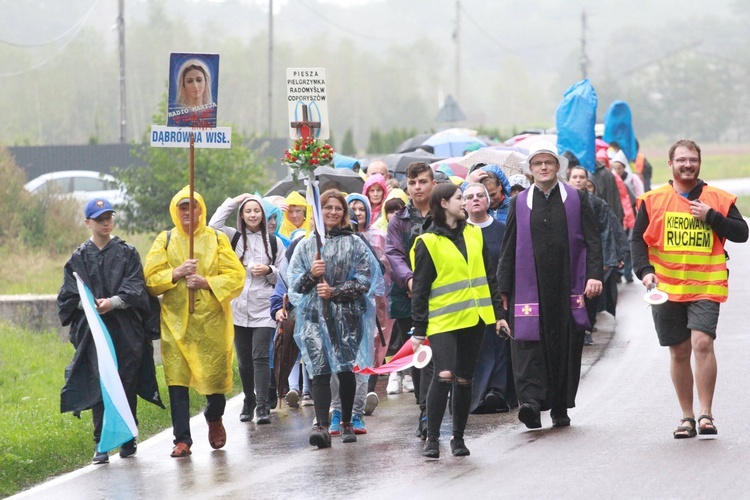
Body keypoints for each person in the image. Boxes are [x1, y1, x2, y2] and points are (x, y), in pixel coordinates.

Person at [631, 139, 748, 438]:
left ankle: (706, 414)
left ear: (699, 163)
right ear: (670, 164)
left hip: (707, 284)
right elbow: (637, 242)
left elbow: (741, 233)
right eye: (681, 159)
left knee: (702, 343)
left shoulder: (718, 199)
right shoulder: (651, 200)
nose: (688, 164)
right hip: (666, 287)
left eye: (693, 160)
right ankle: (687, 417)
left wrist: (711, 216)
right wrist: (644, 272)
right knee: (679, 350)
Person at [498, 141, 603, 429]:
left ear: (558, 167)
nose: (543, 167)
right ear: (530, 170)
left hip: (567, 284)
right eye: (537, 163)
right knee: (528, 344)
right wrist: (503, 289)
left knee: (565, 345)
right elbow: (508, 247)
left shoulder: (577, 199)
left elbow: (593, 240)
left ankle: (559, 405)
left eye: (548, 162)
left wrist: (594, 275)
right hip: (528, 286)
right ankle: (531, 403)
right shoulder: (519, 203)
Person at [58, 198, 163, 464]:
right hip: (94, 332)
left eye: (109, 217)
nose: (106, 223)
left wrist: (113, 303)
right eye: (99, 218)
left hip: (125, 329)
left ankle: (127, 437)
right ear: (87, 223)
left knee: (126, 379)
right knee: (99, 380)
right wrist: (90, 305)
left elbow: (137, 287)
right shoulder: (79, 257)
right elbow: (68, 296)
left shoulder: (127, 252)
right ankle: (101, 442)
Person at [144, 187, 245, 457]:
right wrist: (175, 273)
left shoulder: (216, 238)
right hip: (176, 324)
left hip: (212, 323)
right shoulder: (164, 240)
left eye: (193, 207)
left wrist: (206, 282)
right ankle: (182, 439)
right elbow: (151, 280)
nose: (188, 213)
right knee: (177, 380)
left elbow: (236, 276)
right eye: (183, 208)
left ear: (202, 209)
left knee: (215, 379)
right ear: (175, 211)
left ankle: (214, 417)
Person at [411, 183, 508, 458]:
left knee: (465, 380)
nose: (464, 203)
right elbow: (419, 290)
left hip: (475, 318)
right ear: (443, 203)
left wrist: (499, 317)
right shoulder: (427, 242)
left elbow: (490, 278)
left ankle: (458, 438)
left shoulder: (475, 235)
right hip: (442, 322)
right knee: (444, 375)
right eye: (459, 198)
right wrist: (418, 330)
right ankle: (432, 438)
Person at [287, 189, 383, 448]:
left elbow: (366, 280)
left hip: (348, 317)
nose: (332, 212)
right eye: (327, 207)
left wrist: (335, 292)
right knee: (319, 369)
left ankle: (348, 421)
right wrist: (311, 273)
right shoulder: (307, 245)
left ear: (344, 213)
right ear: (318, 212)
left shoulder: (355, 243)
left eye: (337, 208)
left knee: (345, 368)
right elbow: (295, 283)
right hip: (314, 318)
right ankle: (320, 424)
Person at [209, 194, 284, 424]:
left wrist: (269, 270)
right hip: (238, 307)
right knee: (244, 361)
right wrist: (234, 200)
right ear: (242, 215)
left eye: (257, 211)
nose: (253, 215)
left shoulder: (274, 242)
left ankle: (262, 405)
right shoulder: (233, 237)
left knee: (260, 356)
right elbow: (213, 226)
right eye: (248, 211)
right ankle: (248, 399)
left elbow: (283, 275)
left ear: (263, 215)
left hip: (264, 308)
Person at [385, 161, 436, 438]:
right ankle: (425, 410)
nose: (418, 187)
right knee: (419, 356)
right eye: (413, 183)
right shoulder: (399, 219)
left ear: (433, 184)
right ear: (407, 186)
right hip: (408, 298)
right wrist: (410, 280)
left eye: (423, 182)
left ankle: (435, 406)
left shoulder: (443, 214)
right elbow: (393, 253)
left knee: (440, 354)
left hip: (442, 296)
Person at [461, 183, 515, 414]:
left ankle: (497, 391)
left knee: (499, 342)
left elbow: (509, 262)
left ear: (489, 200)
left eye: (480, 195)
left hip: (497, 298)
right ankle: (476, 396)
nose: (475, 199)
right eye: (470, 196)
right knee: (476, 347)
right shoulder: (459, 232)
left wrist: (504, 292)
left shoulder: (502, 230)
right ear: (462, 203)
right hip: (467, 300)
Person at [567, 166, 628, 344]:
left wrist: (606, 259)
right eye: (574, 177)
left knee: (590, 294)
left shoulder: (597, 203)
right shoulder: (562, 202)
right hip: (571, 256)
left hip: (591, 256)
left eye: (581, 177)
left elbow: (605, 232)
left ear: (587, 180)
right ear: (569, 179)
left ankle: (587, 326)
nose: (578, 180)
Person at [170, 59, 216, 128]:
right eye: (190, 81)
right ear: (183, 85)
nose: (195, 85)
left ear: (206, 83)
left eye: (199, 80)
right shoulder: (178, 113)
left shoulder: (211, 114)